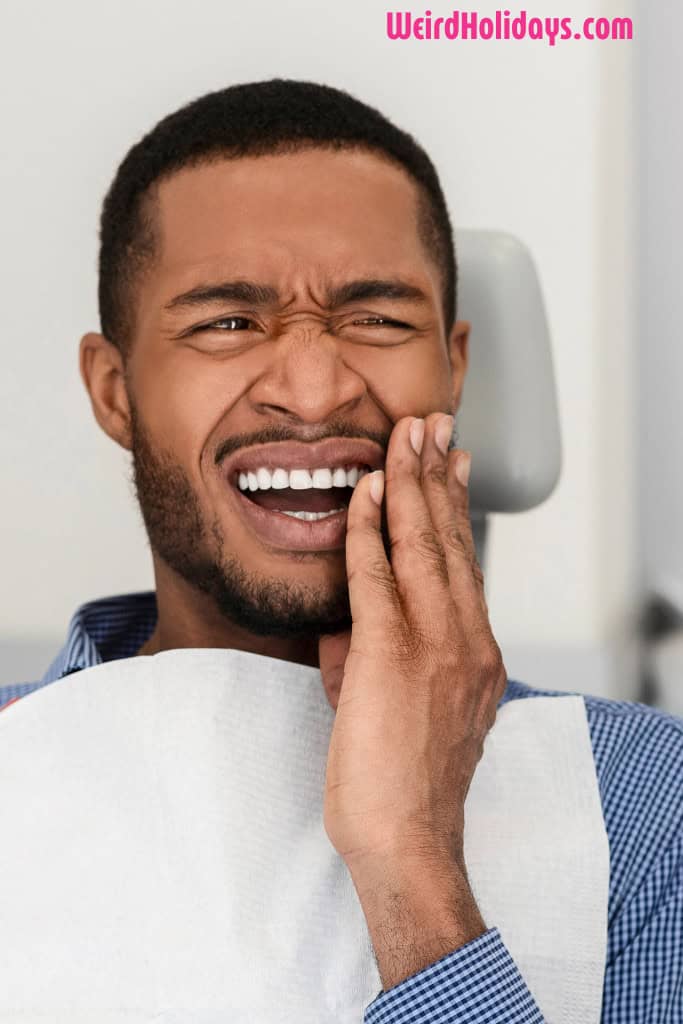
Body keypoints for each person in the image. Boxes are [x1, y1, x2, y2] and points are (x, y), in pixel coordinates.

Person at [1, 79, 681, 1022]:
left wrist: (410, 855)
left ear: (454, 365)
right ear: (115, 392)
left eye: (376, 320)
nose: (315, 392)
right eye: (228, 322)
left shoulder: (649, 805)